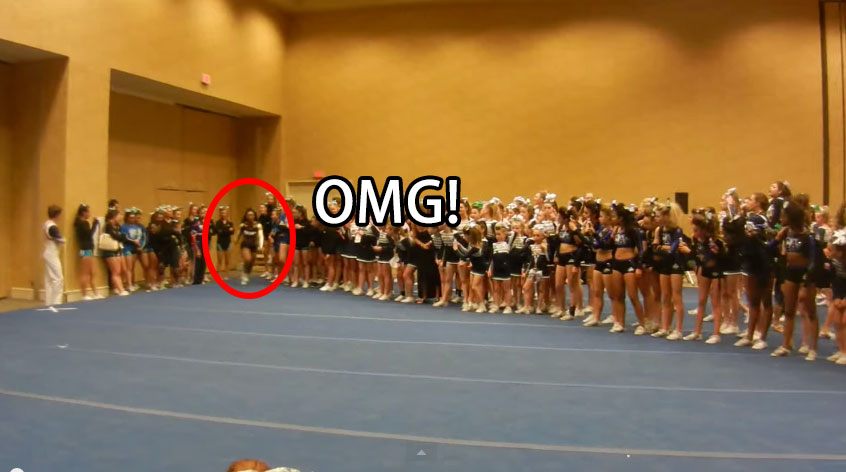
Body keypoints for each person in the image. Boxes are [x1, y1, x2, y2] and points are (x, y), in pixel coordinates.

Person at [74, 203, 99, 300]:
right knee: (85, 273)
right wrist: (95, 224)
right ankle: (84, 294)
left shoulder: (82, 223)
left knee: (92, 272)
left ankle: (95, 293)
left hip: (88, 249)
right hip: (85, 250)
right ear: (83, 212)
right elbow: (89, 234)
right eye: (88, 212)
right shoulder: (82, 223)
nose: (89, 214)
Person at [43, 205, 65, 307]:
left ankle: (49, 302)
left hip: (48, 252)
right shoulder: (52, 226)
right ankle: (56, 302)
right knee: (58, 278)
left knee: (49, 279)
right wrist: (63, 240)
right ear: (57, 215)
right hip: (52, 253)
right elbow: (59, 239)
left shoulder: (46, 224)